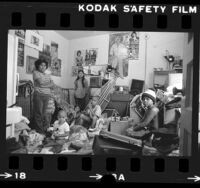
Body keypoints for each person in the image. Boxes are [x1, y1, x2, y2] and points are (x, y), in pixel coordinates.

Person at [33, 58, 55, 134]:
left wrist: (45, 85)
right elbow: (41, 83)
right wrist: (48, 85)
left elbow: (52, 84)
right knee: (38, 113)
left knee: (43, 114)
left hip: (47, 95)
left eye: (45, 65)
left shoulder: (47, 74)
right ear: (38, 66)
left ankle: (42, 130)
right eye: (41, 65)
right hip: (39, 94)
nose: (43, 67)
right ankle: (39, 131)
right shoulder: (35, 72)